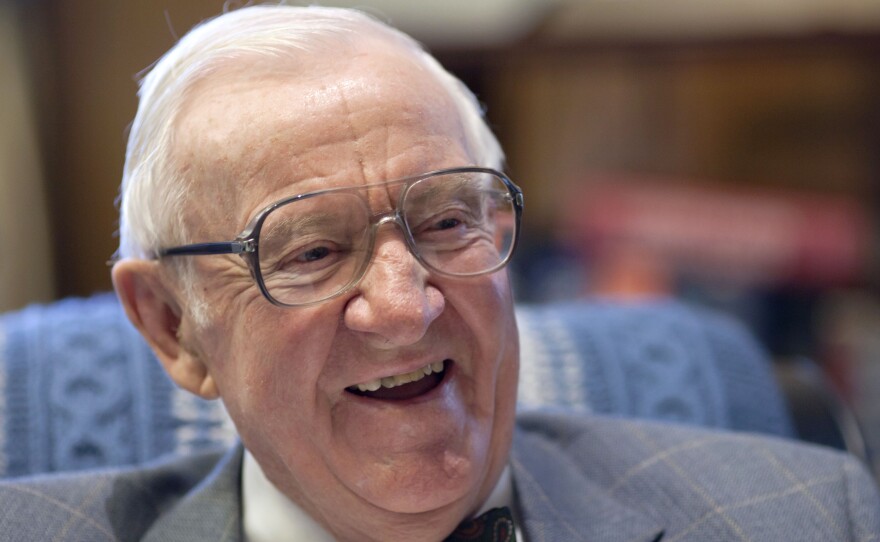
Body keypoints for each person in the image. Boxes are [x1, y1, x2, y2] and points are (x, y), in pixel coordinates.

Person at [1, 5, 878, 541]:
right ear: (172, 325)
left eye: (447, 222)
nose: (405, 306)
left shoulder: (804, 513)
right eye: (311, 250)